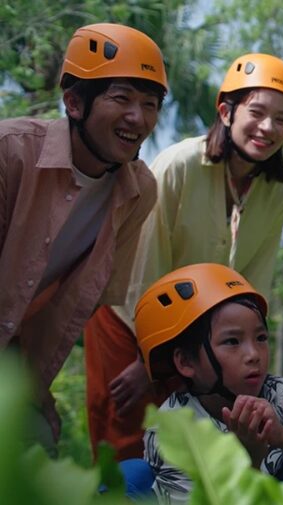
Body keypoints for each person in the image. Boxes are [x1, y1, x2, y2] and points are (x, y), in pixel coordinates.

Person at [83, 52, 283, 464]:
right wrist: (150, 362)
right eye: (257, 112)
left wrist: (235, 348)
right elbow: (145, 264)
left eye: (282, 119)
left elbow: (252, 280)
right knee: (123, 446)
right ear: (226, 111)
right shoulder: (180, 164)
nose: (268, 128)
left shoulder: (280, 191)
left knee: (193, 450)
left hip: (198, 337)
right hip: (127, 317)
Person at [0, 23, 167, 449]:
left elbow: (73, 303)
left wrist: (33, 389)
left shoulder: (137, 192)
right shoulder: (11, 153)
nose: (138, 117)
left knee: (37, 449)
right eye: (121, 98)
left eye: (150, 104)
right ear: (74, 102)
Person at [137, 263, 283, 503]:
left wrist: (282, 436)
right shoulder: (173, 430)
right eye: (232, 341)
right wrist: (250, 458)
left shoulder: (277, 392)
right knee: (133, 474)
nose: (254, 354)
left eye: (261, 338)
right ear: (186, 361)